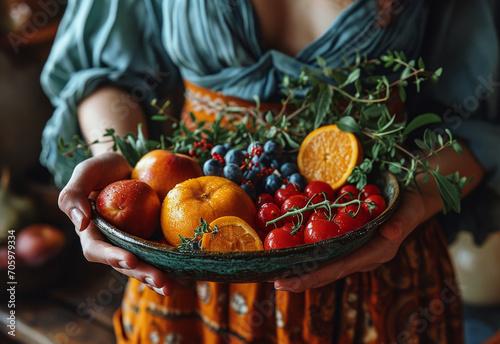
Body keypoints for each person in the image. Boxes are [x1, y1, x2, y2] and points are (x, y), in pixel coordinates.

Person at [40, 0, 500, 343]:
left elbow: (478, 122)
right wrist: (122, 168)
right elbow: (103, 73)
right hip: (187, 255)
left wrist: (411, 203)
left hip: (366, 252)